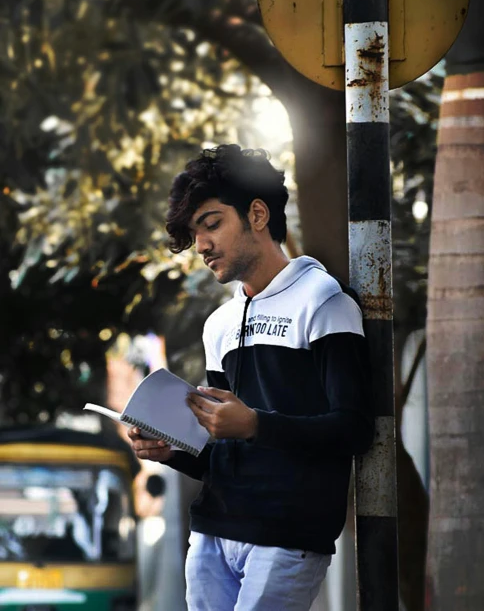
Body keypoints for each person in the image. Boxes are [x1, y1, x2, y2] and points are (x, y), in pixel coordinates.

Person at [128, 144, 374, 611]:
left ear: (257, 214)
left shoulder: (324, 301)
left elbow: (355, 429)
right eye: (194, 232)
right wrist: (171, 450)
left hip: (288, 534)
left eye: (211, 223)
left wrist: (256, 424)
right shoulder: (218, 325)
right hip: (213, 531)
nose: (200, 245)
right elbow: (223, 450)